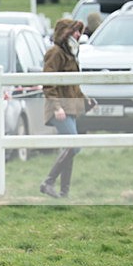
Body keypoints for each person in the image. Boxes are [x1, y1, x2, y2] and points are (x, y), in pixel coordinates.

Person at [39, 18, 95, 198]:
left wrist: (86, 101)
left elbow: (72, 86)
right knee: (75, 146)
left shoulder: (70, 54)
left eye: (79, 31)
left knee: (70, 148)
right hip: (59, 109)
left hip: (70, 108)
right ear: (65, 33)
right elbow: (48, 83)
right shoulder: (55, 53)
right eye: (74, 31)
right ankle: (48, 182)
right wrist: (56, 107)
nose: (78, 35)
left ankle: (64, 192)